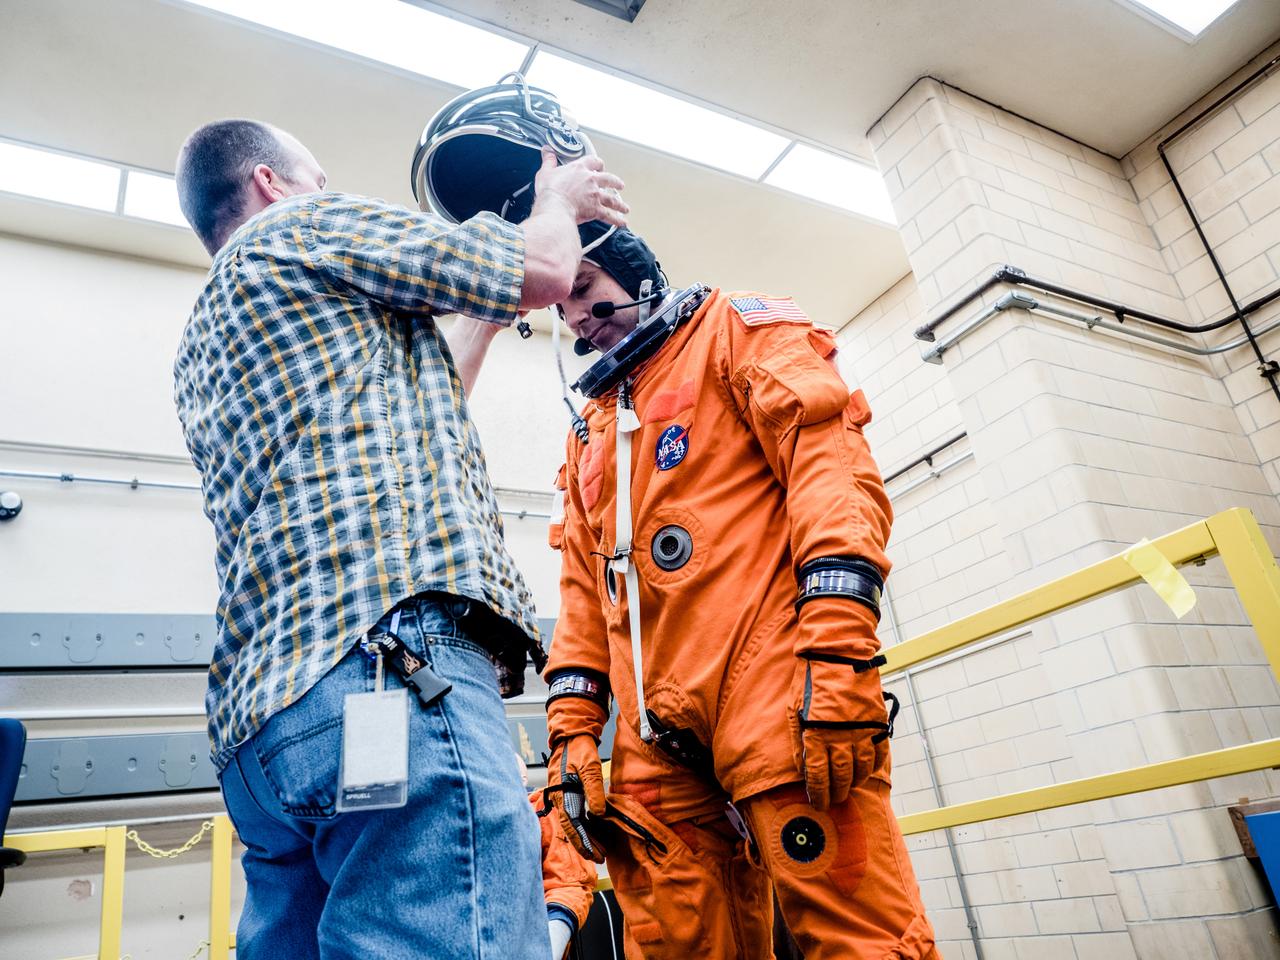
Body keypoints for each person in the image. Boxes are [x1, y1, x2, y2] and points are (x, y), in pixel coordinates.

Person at [172, 118, 627, 959]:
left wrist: (486, 318)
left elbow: (420, 395)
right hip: (388, 672)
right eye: (316, 173)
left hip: (267, 737)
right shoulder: (302, 225)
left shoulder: (207, 337)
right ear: (271, 184)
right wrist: (554, 200)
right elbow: (542, 269)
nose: (325, 187)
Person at [541, 223, 939, 959]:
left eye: (592, 302)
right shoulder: (589, 432)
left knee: (859, 937)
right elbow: (582, 590)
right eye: (568, 322)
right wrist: (571, 729)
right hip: (648, 728)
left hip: (769, 681)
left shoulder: (737, 329)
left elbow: (830, 476)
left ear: (636, 274)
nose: (585, 329)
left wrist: (841, 651)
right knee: (677, 943)